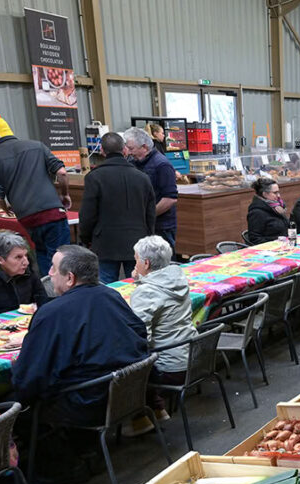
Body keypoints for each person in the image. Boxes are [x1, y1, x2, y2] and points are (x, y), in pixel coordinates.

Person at [12, 245, 148, 429]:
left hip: (85, 405)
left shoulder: (52, 313)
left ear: (70, 278)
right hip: (127, 395)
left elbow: (28, 379)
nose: (49, 273)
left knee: (8, 402)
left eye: (53, 267)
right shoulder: (112, 296)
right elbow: (140, 334)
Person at [0, 111, 71, 276]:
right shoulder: (37, 146)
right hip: (52, 212)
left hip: (27, 217)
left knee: (43, 254)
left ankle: (48, 293)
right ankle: (63, 294)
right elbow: (62, 173)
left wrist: (6, 208)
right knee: (61, 257)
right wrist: (65, 194)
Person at [127, 235, 195, 433]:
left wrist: (141, 285)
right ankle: (158, 410)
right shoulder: (179, 278)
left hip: (171, 367)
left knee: (128, 360)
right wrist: (142, 280)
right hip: (191, 356)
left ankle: (140, 419)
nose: (135, 263)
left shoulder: (146, 292)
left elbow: (141, 338)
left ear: (146, 263)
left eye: (136, 259)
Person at [78, 132, 157, 284]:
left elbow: (88, 214)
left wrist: (86, 239)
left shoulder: (94, 177)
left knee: (107, 289)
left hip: (105, 243)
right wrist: (148, 237)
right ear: (125, 150)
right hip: (137, 242)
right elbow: (151, 213)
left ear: (102, 151)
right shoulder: (142, 177)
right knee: (138, 286)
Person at [124, 126, 179, 250]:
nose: (130, 152)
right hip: (141, 226)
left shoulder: (162, 165)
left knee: (163, 265)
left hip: (161, 227)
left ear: (144, 147)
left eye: (132, 148)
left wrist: (148, 215)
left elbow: (170, 199)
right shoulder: (132, 164)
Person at [246, 178, 292, 245]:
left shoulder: (277, 207)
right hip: (270, 250)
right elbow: (255, 239)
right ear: (264, 194)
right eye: (275, 193)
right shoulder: (256, 212)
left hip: (284, 246)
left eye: (278, 192)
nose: (278, 195)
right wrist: (274, 244)